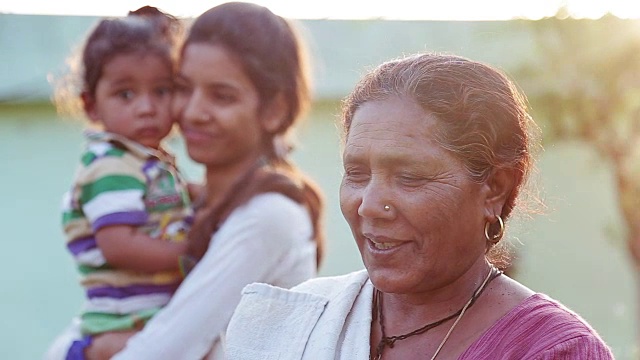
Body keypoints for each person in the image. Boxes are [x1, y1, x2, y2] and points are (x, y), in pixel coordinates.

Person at [224, 53, 615, 359]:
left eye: (409, 177)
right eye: (357, 174)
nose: (370, 205)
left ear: (495, 188)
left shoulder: (554, 351)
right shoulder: (296, 322)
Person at [45, 2, 325, 359]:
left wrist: (84, 350)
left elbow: (158, 353)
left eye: (221, 96)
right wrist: (84, 346)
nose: (192, 112)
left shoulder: (267, 216)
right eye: (182, 88)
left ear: (274, 110)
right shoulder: (186, 203)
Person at [51, 6, 194, 359]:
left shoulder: (145, 160)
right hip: (121, 323)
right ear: (92, 105)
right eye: (126, 95)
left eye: (161, 91)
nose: (146, 107)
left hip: (148, 314)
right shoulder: (110, 165)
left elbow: (158, 206)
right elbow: (119, 245)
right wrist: (192, 252)